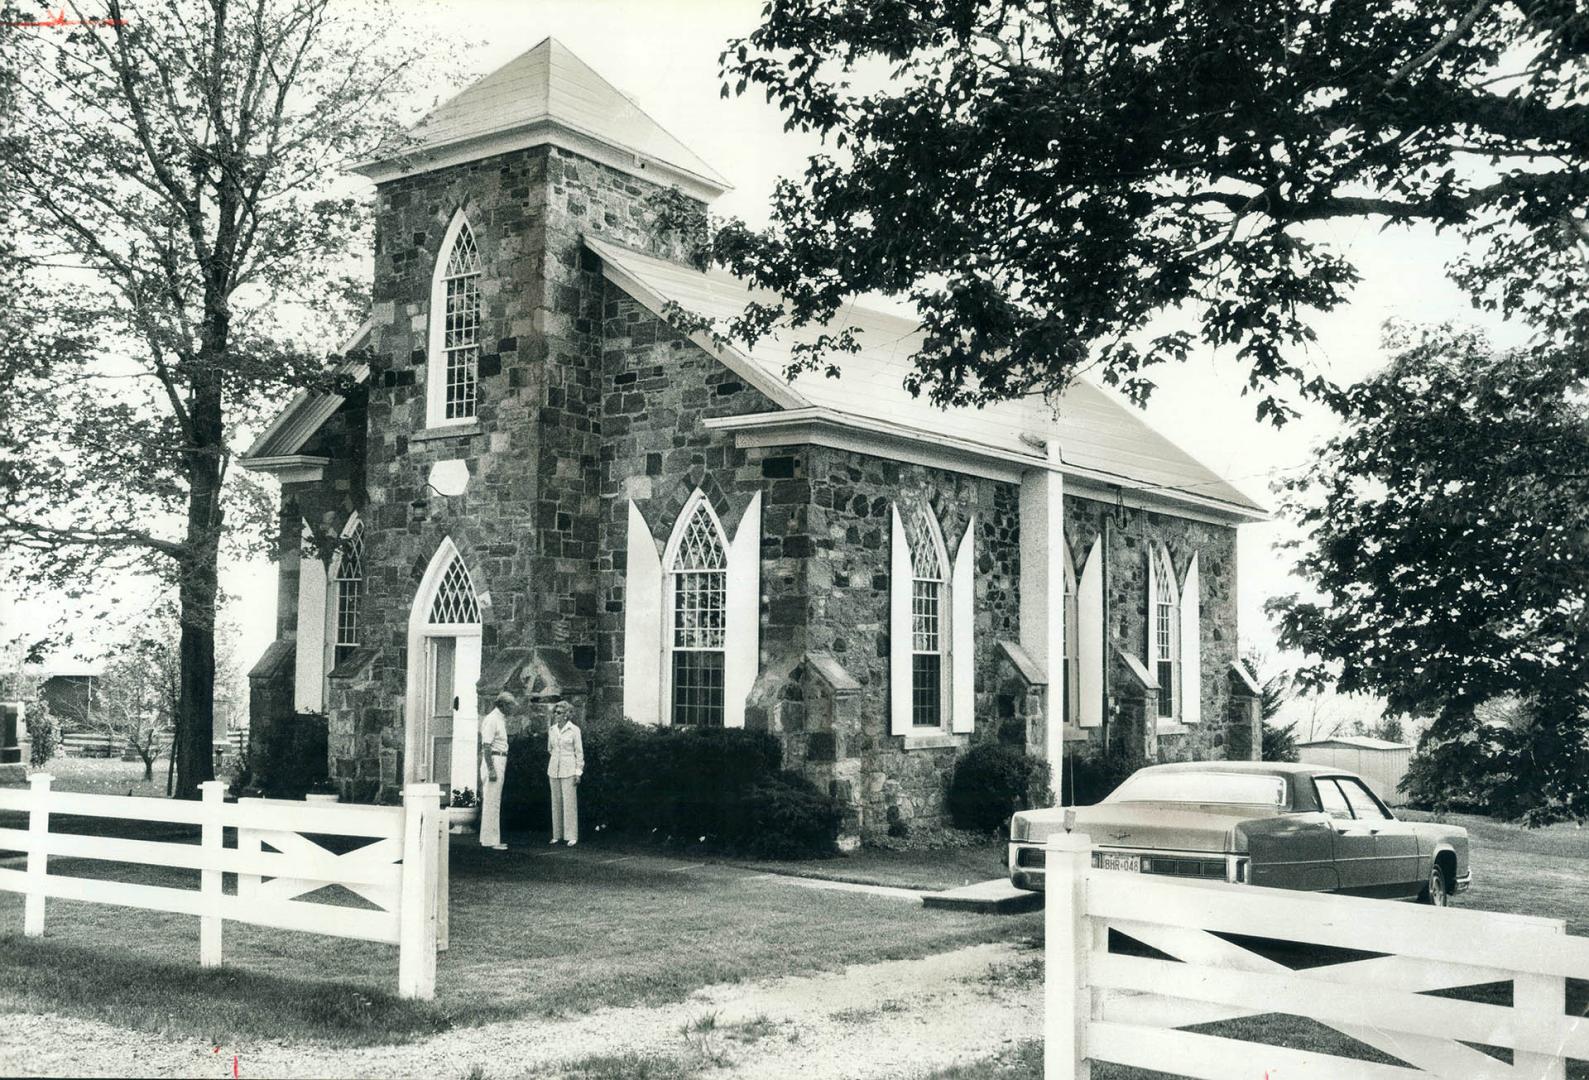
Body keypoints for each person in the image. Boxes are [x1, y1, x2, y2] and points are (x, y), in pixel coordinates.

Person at [478, 691, 516, 851]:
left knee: (494, 800)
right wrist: (491, 769)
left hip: (500, 759)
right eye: (510, 705)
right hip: (494, 760)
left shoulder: (499, 719)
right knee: (492, 801)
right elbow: (486, 746)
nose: (512, 708)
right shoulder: (492, 719)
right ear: (502, 705)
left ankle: (490, 838)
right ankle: (490, 840)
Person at [546, 699, 583, 846]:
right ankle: (557, 834)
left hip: (569, 769)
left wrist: (578, 772)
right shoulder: (552, 729)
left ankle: (571, 835)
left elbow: (579, 753)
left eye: (559, 712)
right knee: (556, 802)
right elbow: (550, 749)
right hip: (554, 769)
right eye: (555, 712)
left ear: (567, 714)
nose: (556, 714)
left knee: (569, 803)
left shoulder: (574, 730)